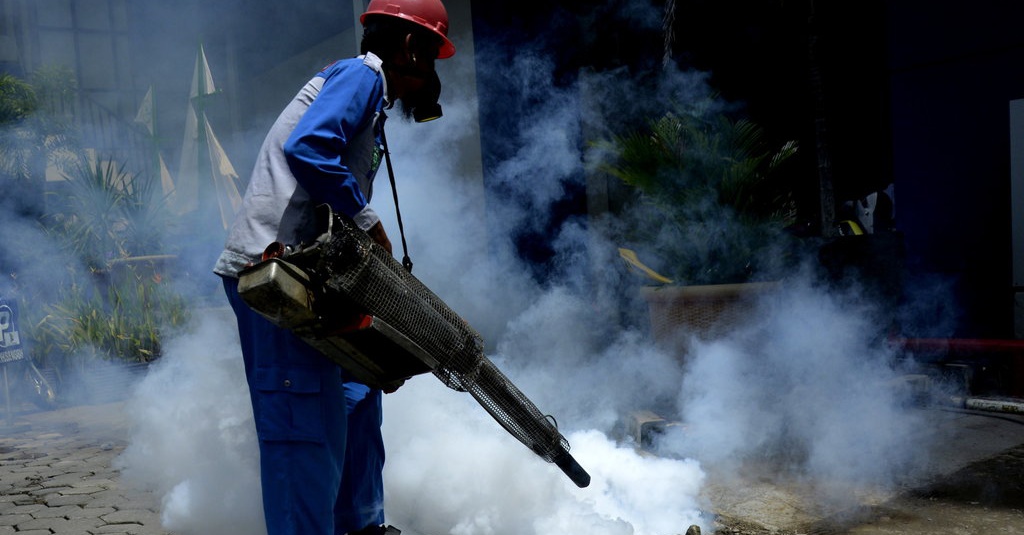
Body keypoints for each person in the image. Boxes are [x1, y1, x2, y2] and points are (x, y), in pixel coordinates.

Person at [213, 1, 456, 533]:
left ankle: (361, 526)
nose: (432, 77)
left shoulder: (371, 100)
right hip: (274, 277)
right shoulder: (362, 75)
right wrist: (369, 222)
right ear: (410, 48)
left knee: (358, 394)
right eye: (432, 59)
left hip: (312, 278)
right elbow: (310, 148)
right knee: (302, 430)